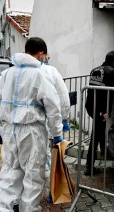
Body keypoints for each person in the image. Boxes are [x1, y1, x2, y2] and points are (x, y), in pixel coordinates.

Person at [0, 37, 64, 212]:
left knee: (10, 174)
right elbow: (53, 107)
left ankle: (1, 209)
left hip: (9, 131)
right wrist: (57, 133)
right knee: (33, 176)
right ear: (41, 53)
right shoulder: (40, 74)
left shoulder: (7, 74)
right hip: (32, 131)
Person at [41, 53, 71, 203]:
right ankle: (53, 191)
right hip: (50, 124)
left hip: (24, 127)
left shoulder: (14, 72)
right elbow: (63, 97)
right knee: (53, 159)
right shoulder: (50, 71)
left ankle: (21, 197)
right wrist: (64, 118)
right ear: (42, 54)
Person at [84, 50, 114, 176]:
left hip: (90, 105)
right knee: (96, 135)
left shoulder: (95, 70)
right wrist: (107, 111)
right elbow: (111, 94)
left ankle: (104, 151)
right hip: (100, 108)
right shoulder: (112, 72)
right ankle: (89, 166)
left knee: (99, 130)